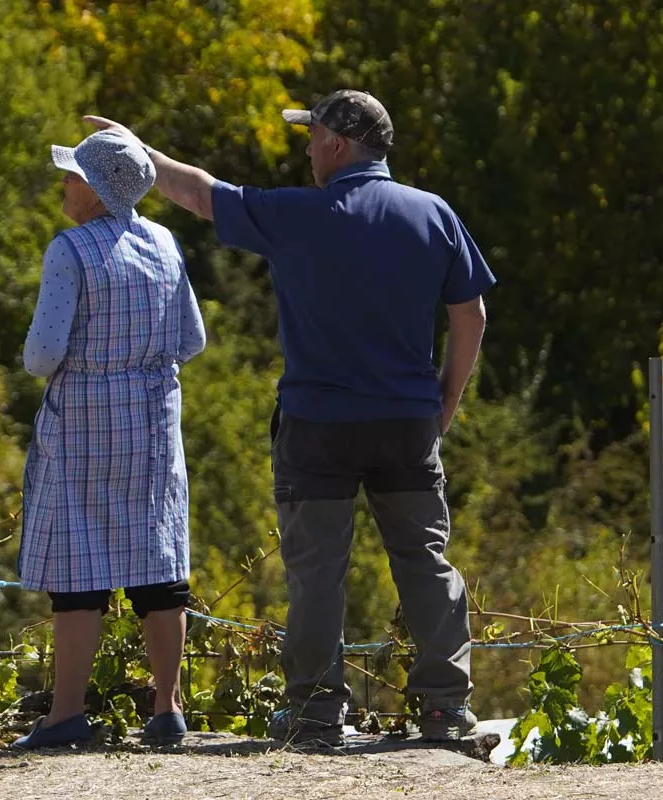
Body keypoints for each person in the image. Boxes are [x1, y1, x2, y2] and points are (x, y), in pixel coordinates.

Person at [85, 89, 495, 745]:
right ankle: (444, 707)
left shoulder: (296, 214)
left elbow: (197, 193)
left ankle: (314, 710)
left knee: (316, 572)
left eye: (311, 138)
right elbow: (469, 314)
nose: (305, 150)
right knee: (424, 562)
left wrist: (133, 151)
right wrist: (443, 403)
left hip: (317, 426)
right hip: (406, 422)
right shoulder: (432, 213)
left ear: (337, 144)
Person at [13, 129, 207, 749]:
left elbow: (43, 355)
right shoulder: (163, 241)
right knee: (158, 561)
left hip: (85, 421)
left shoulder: (69, 251)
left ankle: (66, 714)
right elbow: (193, 339)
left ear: (95, 191)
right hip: (151, 418)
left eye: (72, 175)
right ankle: (166, 708)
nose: (64, 184)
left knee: (78, 568)